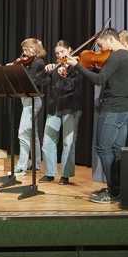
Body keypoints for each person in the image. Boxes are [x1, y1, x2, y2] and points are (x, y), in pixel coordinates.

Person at [66, 28, 128, 203]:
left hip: (113, 109)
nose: (100, 49)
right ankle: (119, 189)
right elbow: (113, 78)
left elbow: (99, 81)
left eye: (101, 44)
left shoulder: (116, 56)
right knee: (116, 150)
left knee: (103, 148)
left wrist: (77, 66)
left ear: (111, 40)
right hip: (125, 108)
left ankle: (113, 191)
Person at [40, 40, 83, 185]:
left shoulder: (77, 66)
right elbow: (41, 83)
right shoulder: (55, 67)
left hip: (71, 108)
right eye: (57, 53)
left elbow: (72, 86)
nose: (60, 55)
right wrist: (47, 71)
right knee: (47, 142)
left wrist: (64, 75)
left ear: (69, 50)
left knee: (68, 143)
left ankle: (65, 175)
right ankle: (50, 173)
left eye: (62, 52)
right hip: (54, 108)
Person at [12, 37, 47, 177]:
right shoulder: (28, 62)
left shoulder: (38, 62)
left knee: (23, 132)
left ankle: (21, 166)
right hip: (26, 99)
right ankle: (37, 163)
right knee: (32, 133)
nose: (24, 53)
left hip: (33, 100)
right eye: (23, 50)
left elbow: (30, 79)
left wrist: (17, 69)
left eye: (27, 49)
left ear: (35, 49)